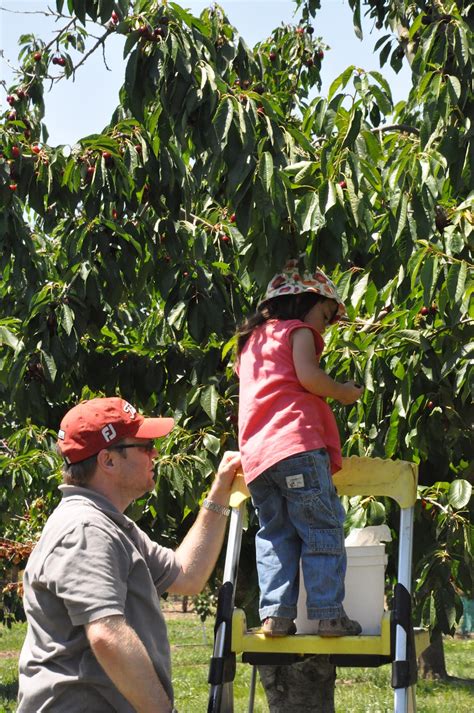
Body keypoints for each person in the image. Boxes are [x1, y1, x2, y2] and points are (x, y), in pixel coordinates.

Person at [17, 396, 240, 713]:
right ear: (108, 461)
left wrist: (219, 491)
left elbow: (187, 575)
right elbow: (107, 635)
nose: (155, 453)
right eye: (145, 446)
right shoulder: (85, 530)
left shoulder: (112, 526)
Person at [236, 260, 364, 638]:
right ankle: (328, 614)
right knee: (322, 527)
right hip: (296, 448)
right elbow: (308, 377)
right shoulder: (299, 331)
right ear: (306, 302)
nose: (325, 325)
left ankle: (276, 615)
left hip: (258, 458)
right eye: (326, 314)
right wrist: (341, 392)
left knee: (275, 534)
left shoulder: (252, 343)